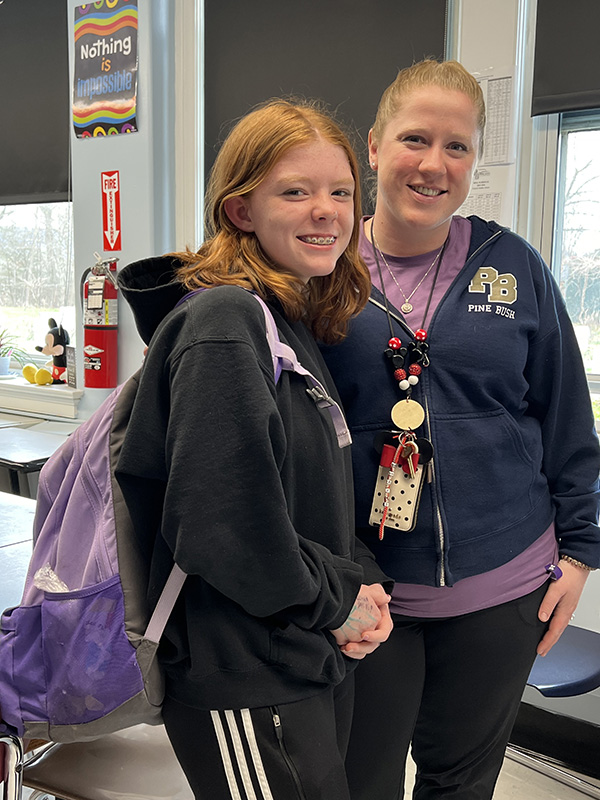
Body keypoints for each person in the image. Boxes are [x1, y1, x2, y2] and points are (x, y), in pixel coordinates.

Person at [319, 60, 600, 800]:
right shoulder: (322, 271)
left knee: (461, 784)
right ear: (374, 146)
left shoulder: (513, 267)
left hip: (504, 589)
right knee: (358, 784)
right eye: (416, 138)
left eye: (459, 147)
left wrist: (579, 556)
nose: (435, 164)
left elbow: (567, 414)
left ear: (475, 159)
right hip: (366, 597)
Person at [114, 99, 393, 800]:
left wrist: (363, 585)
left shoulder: (288, 320)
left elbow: (310, 500)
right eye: (294, 191)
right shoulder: (225, 319)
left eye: (339, 191)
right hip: (243, 671)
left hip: (301, 652)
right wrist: (340, 603)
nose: (325, 211)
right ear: (241, 211)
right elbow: (222, 530)